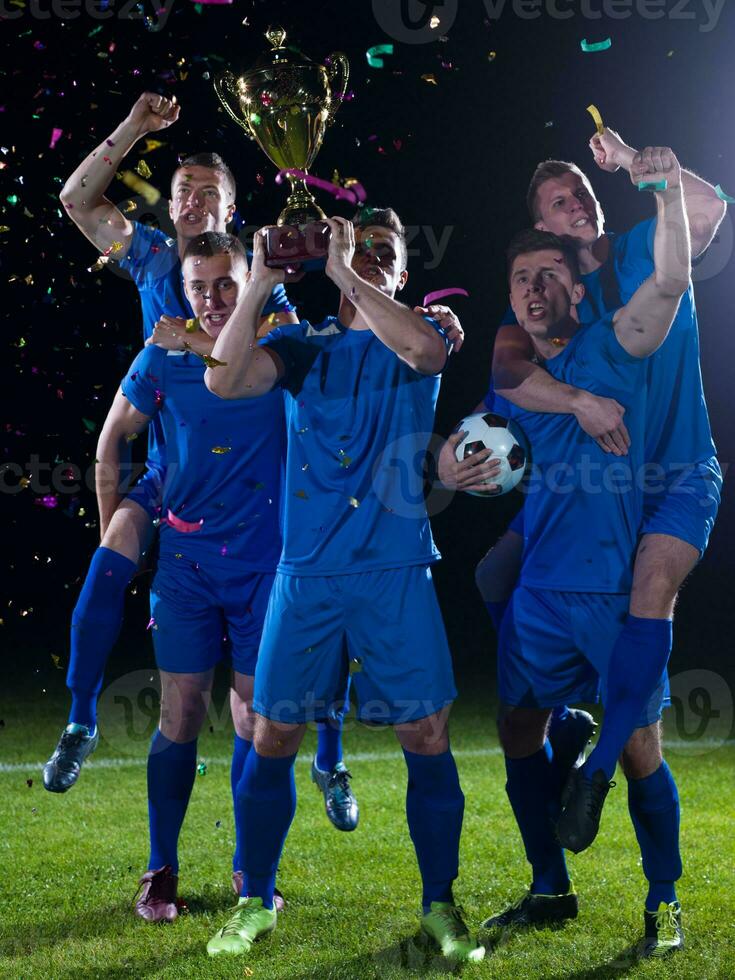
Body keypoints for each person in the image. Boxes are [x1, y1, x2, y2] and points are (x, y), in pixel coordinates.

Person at [201, 208, 484, 962]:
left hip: (394, 569)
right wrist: (261, 277)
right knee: (272, 735)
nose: (369, 259)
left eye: (386, 252)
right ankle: (254, 900)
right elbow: (223, 379)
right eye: (358, 246)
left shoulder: (419, 333)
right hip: (309, 575)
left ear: (397, 271)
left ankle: (439, 905)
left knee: (426, 734)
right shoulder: (300, 346)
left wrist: (348, 270)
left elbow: (426, 352)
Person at [453, 126, 724, 849]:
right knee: (494, 571)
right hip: (600, 483)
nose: (572, 204)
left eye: (578, 192)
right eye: (555, 200)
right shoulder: (544, 292)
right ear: (539, 227)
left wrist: (645, 166)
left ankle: (597, 768)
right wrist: (564, 407)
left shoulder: (639, 248)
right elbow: (507, 366)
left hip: (672, 474)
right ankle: (568, 710)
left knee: (647, 594)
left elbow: (701, 218)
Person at [43, 93, 299, 802]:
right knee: (109, 556)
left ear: (230, 212)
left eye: (207, 194)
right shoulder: (152, 259)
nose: (190, 202)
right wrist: (133, 126)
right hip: (172, 467)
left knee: (284, 652)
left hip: (252, 484)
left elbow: (274, 361)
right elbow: (76, 201)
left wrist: (187, 338)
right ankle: (81, 720)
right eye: (182, 191)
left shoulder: (259, 284)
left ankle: (326, 759)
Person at [481, 146, 690, 958]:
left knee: (639, 744)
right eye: (519, 279)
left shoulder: (619, 346)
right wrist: (460, 470)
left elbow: (667, 283)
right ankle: (546, 887)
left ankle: (663, 899)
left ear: (577, 283)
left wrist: (667, 191)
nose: (533, 290)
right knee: (513, 728)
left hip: (611, 590)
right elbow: (480, 446)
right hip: (539, 593)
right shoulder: (516, 370)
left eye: (548, 276)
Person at [96, 231, 296, 920]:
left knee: (256, 722)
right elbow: (113, 437)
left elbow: (353, 350)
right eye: (199, 287)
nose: (211, 299)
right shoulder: (160, 355)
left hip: (264, 565)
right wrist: (110, 538)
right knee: (180, 713)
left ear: (249, 281)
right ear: (182, 292)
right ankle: (161, 867)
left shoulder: (280, 347)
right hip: (185, 566)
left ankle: (253, 867)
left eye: (225, 284)